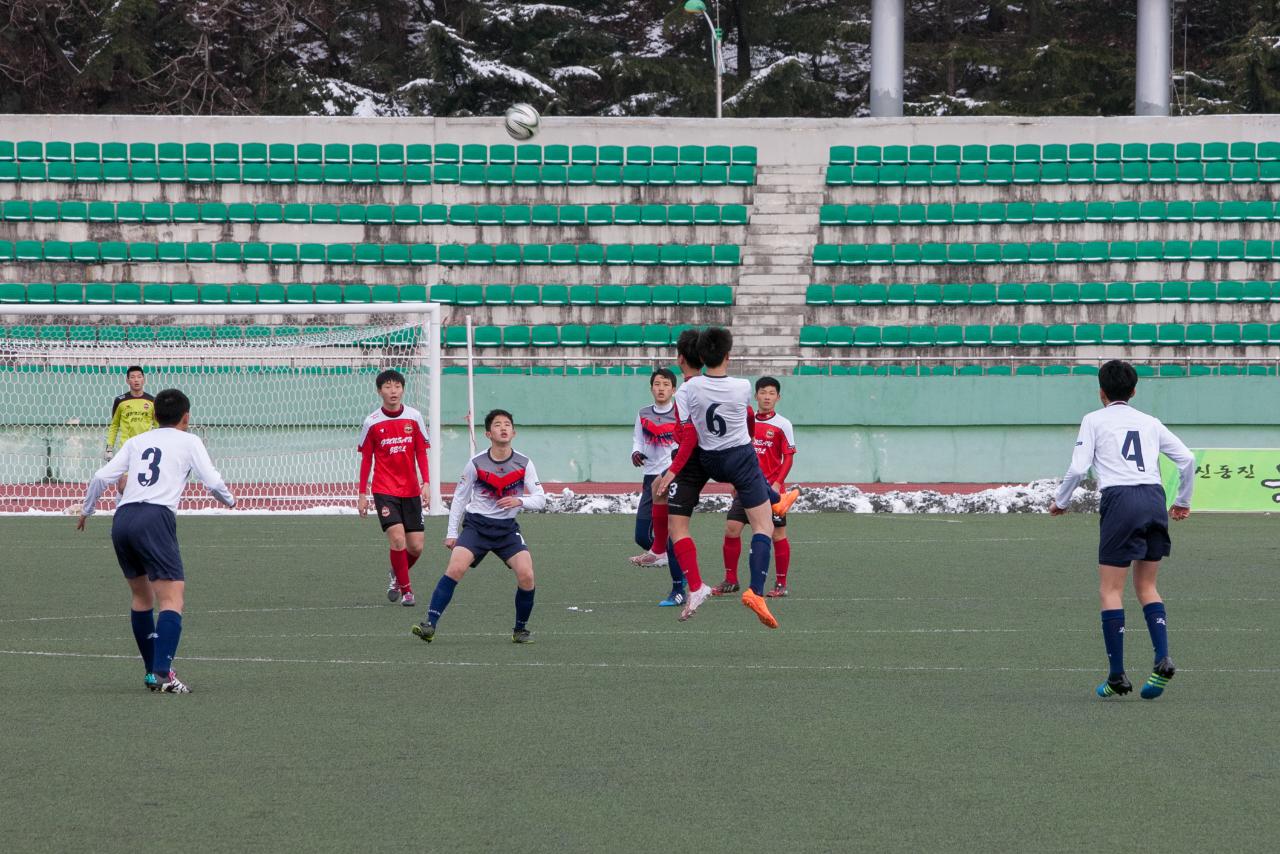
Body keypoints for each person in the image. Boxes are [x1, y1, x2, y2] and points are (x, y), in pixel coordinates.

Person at [1049, 359, 1194, 701]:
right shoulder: (1149, 421)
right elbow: (1187, 459)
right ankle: (1162, 657)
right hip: (1153, 497)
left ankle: (1117, 676)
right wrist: (1182, 501)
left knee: (1111, 590)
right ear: (1134, 391)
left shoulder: (1093, 420)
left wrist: (1062, 501)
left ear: (1101, 392)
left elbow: (1078, 467)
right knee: (1147, 585)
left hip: (1121, 501)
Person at [78, 388, 235, 694]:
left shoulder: (137, 441)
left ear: (153, 415)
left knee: (142, 598)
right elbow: (213, 482)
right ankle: (163, 672)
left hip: (122, 519)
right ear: (186, 417)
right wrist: (229, 500)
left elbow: (100, 477)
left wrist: (87, 510)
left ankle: (153, 672)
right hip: (155, 519)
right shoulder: (190, 441)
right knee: (172, 599)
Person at [654, 327, 783, 628]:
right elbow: (749, 421)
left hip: (707, 458)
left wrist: (673, 470)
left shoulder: (688, 389)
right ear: (728, 355)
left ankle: (692, 583)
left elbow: (685, 431)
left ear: (699, 356)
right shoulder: (741, 386)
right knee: (763, 525)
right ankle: (756, 592)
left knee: (679, 526)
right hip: (739, 457)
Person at [412, 409, 546, 644]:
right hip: (477, 527)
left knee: (527, 575)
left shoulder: (524, 463)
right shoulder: (476, 463)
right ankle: (429, 625)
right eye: (497, 425)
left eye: (507, 424)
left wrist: (519, 500)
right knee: (455, 568)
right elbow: (460, 498)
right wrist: (452, 533)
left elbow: (541, 498)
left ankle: (520, 630)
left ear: (513, 432)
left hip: (506, 530)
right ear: (487, 433)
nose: (503, 428)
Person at [716, 376, 797, 598]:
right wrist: (733, 478)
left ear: (778, 397)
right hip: (746, 485)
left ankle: (781, 584)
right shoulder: (745, 422)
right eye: (763, 392)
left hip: (771, 490)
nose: (767, 397)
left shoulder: (783, 424)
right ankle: (731, 579)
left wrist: (778, 483)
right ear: (756, 396)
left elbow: (788, 457)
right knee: (731, 528)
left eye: (772, 393)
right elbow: (735, 451)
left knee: (777, 535)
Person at [357, 369, 431, 607]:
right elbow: (367, 459)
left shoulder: (414, 417)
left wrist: (426, 483)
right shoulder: (372, 422)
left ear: (403, 389)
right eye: (387, 387)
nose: (393, 391)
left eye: (397, 386)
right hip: (384, 489)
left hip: (411, 490)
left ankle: (396, 575)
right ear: (380, 391)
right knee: (397, 540)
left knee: (416, 547)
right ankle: (407, 591)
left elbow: (421, 451)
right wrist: (362, 494)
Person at [629, 367, 688, 607]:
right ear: (651, 387)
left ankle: (678, 589)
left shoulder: (680, 414)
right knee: (642, 535)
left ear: (674, 390)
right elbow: (638, 439)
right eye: (657, 384)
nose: (661, 388)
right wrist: (635, 452)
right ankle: (670, 558)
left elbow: (687, 442)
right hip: (649, 477)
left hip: (671, 478)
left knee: (673, 535)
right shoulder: (643, 413)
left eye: (666, 384)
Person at [106, 365, 157, 493]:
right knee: (123, 486)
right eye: (133, 377)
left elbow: (157, 426)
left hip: (146, 449)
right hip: (126, 448)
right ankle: (122, 508)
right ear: (127, 380)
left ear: (144, 379)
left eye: (139, 377)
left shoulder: (152, 401)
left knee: (145, 484)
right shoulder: (120, 401)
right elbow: (114, 425)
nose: (136, 380)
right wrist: (109, 447)